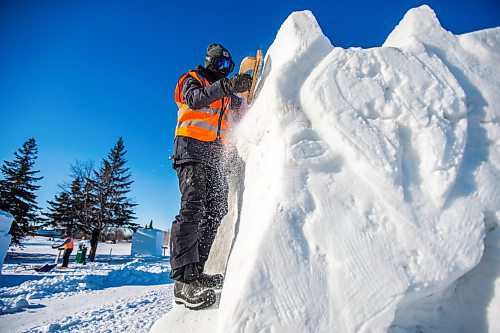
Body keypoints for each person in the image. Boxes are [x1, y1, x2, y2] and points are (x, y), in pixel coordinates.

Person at [170, 43, 252, 310]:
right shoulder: (192, 79)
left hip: (214, 157)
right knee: (192, 207)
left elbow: (244, 111)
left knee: (217, 209)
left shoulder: (227, 96)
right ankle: (183, 282)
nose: (223, 70)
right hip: (191, 151)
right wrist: (228, 85)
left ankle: (197, 272)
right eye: (220, 65)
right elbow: (194, 99)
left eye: (227, 67)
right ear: (209, 61)